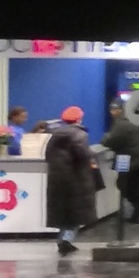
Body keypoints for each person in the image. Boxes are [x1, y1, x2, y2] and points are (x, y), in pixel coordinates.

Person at [44, 105, 98, 255]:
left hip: (57, 181)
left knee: (63, 215)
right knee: (75, 216)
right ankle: (66, 241)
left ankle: (62, 240)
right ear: (79, 118)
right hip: (77, 180)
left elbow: (47, 156)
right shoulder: (80, 135)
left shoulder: (54, 135)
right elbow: (83, 155)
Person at [101, 99, 139, 227]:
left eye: (115, 110)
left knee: (123, 184)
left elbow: (109, 142)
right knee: (136, 180)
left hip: (136, 157)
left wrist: (106, 137)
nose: (112, 112)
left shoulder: (122, 123)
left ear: (121, 110)